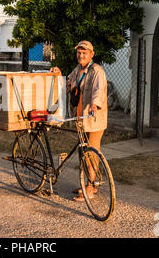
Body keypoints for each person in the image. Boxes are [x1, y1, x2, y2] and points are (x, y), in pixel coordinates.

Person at [50, 40, 108, 202]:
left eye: (84, 53)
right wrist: (58, 73)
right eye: (79, 52)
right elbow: (68, 85)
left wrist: (94, 105)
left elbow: (99, 90)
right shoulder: (77, 70)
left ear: (91, 54)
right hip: (80, 118)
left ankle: (90, 187)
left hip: (93, 118)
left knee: (91, 152)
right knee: (83, 152)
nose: (81, 55)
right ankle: (89, 184)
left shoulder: (97, 71)